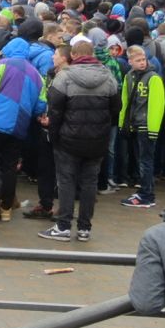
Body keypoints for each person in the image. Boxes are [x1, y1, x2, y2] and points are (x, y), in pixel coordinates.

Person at [40, 35, 120, 241]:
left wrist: (54, 134)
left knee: (66, 181)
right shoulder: (108, 76)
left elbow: (55, 110)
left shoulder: (64, 77)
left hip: (69, 139)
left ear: (73, 55)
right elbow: (115, 109)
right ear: (92, 54)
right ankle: (85, 228)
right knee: (89, 183)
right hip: (97, 140)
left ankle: (63, 226)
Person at [0, 37, 47, 224]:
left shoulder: (2, 65)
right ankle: (6, 208)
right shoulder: (36, 74)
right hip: (19, 127)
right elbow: (41, 105)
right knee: (9, 167)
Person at [119, 44, 163, 209]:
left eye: (143, 59)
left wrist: (153, 129)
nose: (142, 62)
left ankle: (147, 195)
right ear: (130, 61)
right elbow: (125, 102)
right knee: (141, 160)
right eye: (138, 60)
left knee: (146, 161)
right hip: (134, 125)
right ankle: (144, 190)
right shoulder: (129, 77)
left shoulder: (153, 78)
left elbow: (157, 104)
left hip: (146, 126)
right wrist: (123, 123)